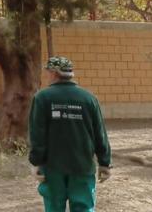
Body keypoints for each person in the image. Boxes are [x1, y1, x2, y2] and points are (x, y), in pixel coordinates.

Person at [29, 56, 112, 212]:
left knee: (54, 208)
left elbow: (37, 134)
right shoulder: (89, 98)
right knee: (84, 207)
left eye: (47, 72)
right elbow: (100, 133)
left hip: (53, 167)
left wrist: (36, 162)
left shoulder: (42, 98)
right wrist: (104, 162)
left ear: (53, 73)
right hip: (83, 165)